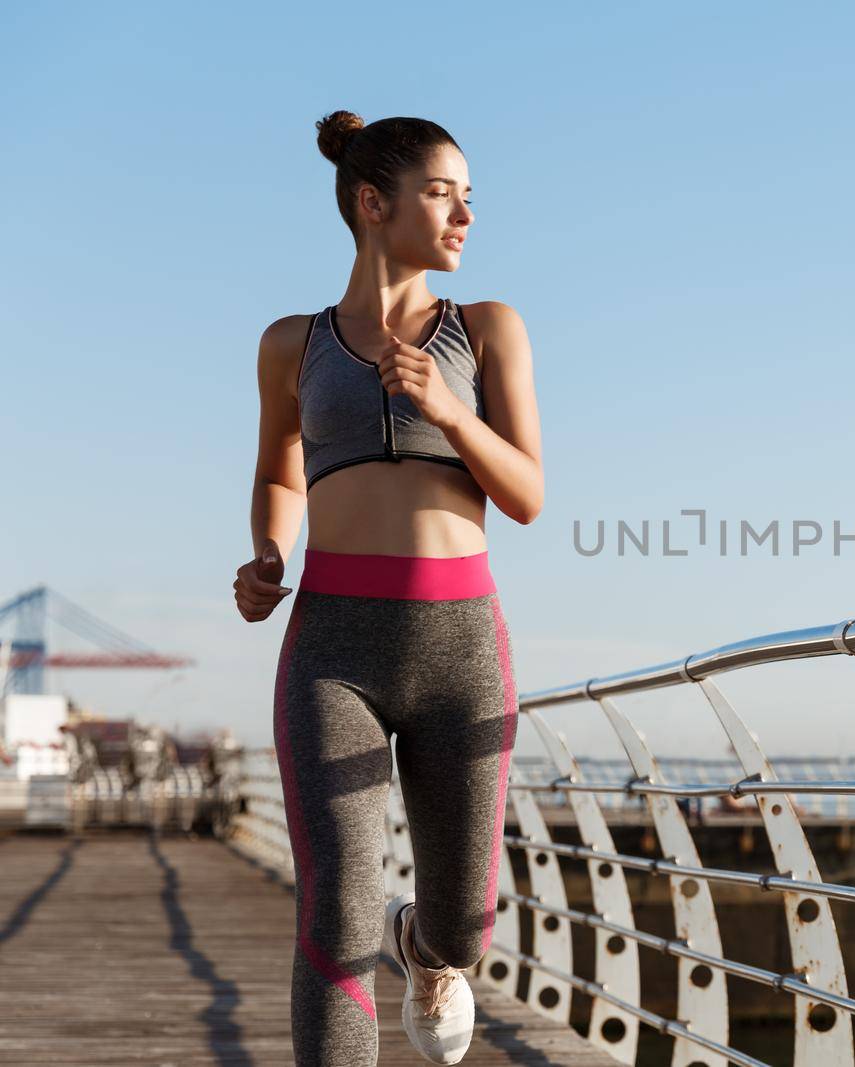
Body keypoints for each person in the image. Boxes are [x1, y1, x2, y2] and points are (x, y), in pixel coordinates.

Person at [234, 110, 544, 1066]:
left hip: (460, 649)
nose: (465, 216)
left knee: (466, 919)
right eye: (443, 193)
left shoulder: (487, 329)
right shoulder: (293, 343)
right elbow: (282, 471)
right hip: (333, 650)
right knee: (336, 909)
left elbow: (527, 493)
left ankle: (429, 949)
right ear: (375, 204)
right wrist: (269, 554)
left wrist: (446, 406)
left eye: (468, 198)